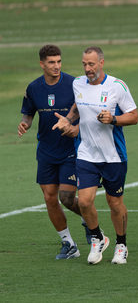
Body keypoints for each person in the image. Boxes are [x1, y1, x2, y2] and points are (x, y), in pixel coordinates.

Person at [53, 46, 138, 265]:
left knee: (115, 203)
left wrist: (113, 119)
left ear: (101, 63)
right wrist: (67, 119)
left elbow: (134, 116)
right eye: (84, 64)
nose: (87, 68)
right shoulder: (78, 83)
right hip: (86, 154)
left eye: (91, 64)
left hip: (113, 156)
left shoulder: (117, 86)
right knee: (84, 201)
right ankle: (98, 239)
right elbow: (77, 105)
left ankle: (121, 244)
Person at [18, 44, 87, 259]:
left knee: (66, 198)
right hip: (46, 151)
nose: (56, 66)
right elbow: (28, 112)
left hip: (70, 150)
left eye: (59, 61)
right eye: (51, 62)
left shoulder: (74, 84)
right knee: (49, 199)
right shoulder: (33, 88)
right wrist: (25, 123)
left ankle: (90, 223)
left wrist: (73, 125)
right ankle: (69, 244)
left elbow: (85, 110)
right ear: (42, 64)